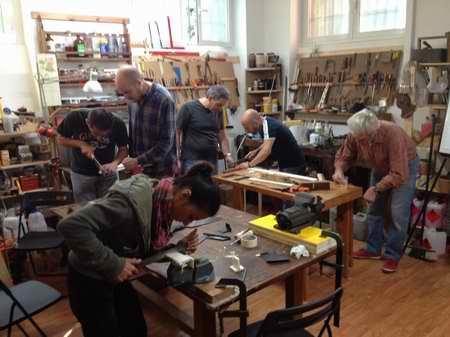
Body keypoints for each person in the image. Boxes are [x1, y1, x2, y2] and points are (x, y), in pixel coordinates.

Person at [58, 162, 221, 337]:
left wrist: (178, 248)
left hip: (112, 275)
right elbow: (71, 226)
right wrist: (114, 264)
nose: (187, 223)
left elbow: (143, 255)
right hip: (89, 278)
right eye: (191, 216)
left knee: (135, 330)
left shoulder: (160, 207)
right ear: (184, 195)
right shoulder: (129, 204)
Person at [333, 109, 419, 273]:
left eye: (363, 140)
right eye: (358, 139)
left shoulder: (392, 134)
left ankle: (392, 255)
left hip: (404, 167)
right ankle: (373, 249)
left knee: (397, 212)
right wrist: (339, 170)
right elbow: (345, 156)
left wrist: (376, 188)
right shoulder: (356, 133)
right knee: (374, 208)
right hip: (380, 166)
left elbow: (398, 173)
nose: (360, 143)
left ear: (373, 132)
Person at [115, 66, 176, 178]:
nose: (125, 97)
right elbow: (134, 134)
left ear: (139, 83)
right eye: (122, 93)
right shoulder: (132, 99)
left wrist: (137, 160)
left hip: (160, 171)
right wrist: (132, 160)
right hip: (139, 169)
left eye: (127, 92)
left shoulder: (164, 100)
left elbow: (166, 143)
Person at [57, 108, 128, 202]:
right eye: (96, 133)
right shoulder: (75, 117)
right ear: (87, 122)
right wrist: (81, 144)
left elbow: (123, 149)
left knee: (108, 207)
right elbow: (60, 139)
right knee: (86, 210)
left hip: (108, 174)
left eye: (104, 136)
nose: (99, 138)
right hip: (81, 174)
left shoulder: (118, 124)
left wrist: (115, 163)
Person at [176, 85, 233, 173]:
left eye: (222, 106)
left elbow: (222, 136)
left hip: (211, 160)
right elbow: (177, 132)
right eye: (219, 105)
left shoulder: (218, 112)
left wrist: (227, 155)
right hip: (191, 160)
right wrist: (177, 157)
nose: (220, 108)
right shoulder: (188, 108)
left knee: (211, 185)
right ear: (210, 98)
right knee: (192, 186)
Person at [236, 109, 305, 174]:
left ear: (255, 122)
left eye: (247, 128)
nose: (246, 131)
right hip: (285, 163)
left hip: (293, 164)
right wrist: (256, 151)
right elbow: (267, 143)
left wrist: (249, 164)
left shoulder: (269, 125)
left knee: (289, 186)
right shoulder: (263, 124)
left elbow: (266, 151)